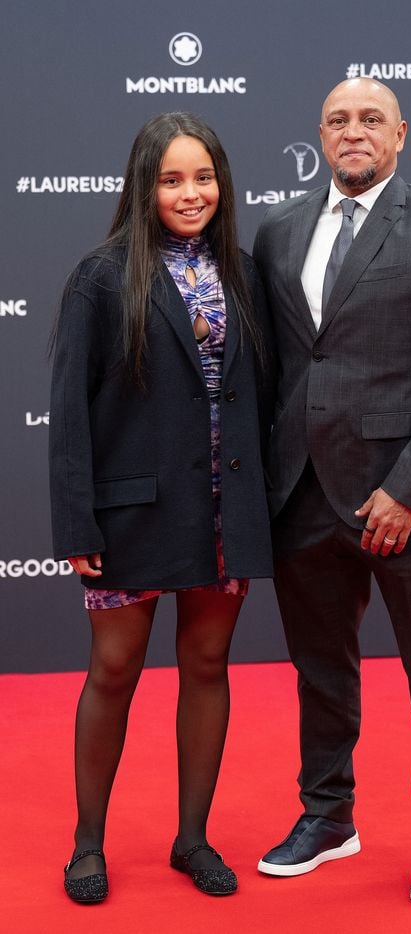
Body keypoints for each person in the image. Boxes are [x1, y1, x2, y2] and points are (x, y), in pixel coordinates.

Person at [252, 78, 411, 904]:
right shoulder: (280, 230)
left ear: (400, 133)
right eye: (337, 121)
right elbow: (281, 366)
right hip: (303, 494)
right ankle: (328, 815)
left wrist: (408, 488)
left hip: (403, 498)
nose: (353, 133)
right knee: (320, 669)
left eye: (370, 120)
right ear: (320, 135)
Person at [49, 112, 273, 902]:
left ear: (223, 184)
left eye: (203, 177)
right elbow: (70, 410)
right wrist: (76, 519)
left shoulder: (243, 273)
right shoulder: (101, 276)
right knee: (113, 672)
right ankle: (86, 845)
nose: (190, 192)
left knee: (207, 666)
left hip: (223, 508)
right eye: (172, 178)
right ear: (144, 186)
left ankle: (192, 839)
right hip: (131, 512)